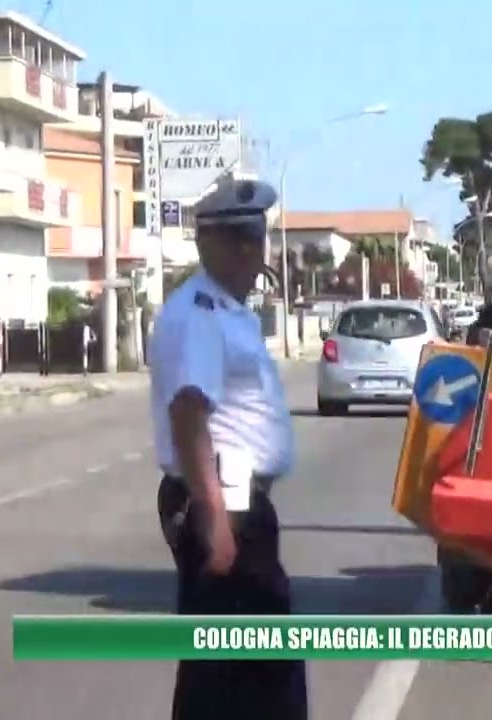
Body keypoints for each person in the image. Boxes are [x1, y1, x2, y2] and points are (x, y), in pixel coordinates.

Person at [149, 176, 307, 720]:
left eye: (255, 236)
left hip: (235, 494)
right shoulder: (199, 314)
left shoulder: (227, 310)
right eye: (234, 236)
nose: (247, 249)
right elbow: (189, 411)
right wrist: (215, 514)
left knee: (231, 671)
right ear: (203, 243)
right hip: (224, 495)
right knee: (246, 669)